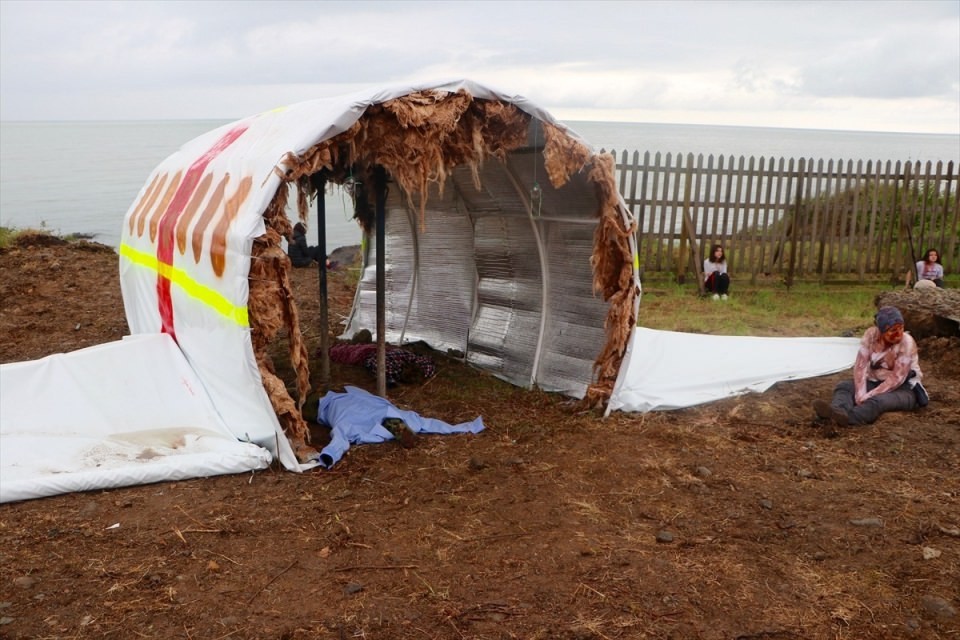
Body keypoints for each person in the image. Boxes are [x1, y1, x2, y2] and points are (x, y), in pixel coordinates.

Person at [813, 306, 927, 430]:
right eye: (893, 330)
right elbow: (860, 366)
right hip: (875, 381)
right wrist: (860, 392)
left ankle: (846, 419)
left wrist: (868, 395)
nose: (898, 334)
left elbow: (897, 378)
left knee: (878, 401)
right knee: (844, 386)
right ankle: (836, 411)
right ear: (882, 330)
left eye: (901, 328)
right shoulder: (871, 336)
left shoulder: (907, 342)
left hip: (904, 389)